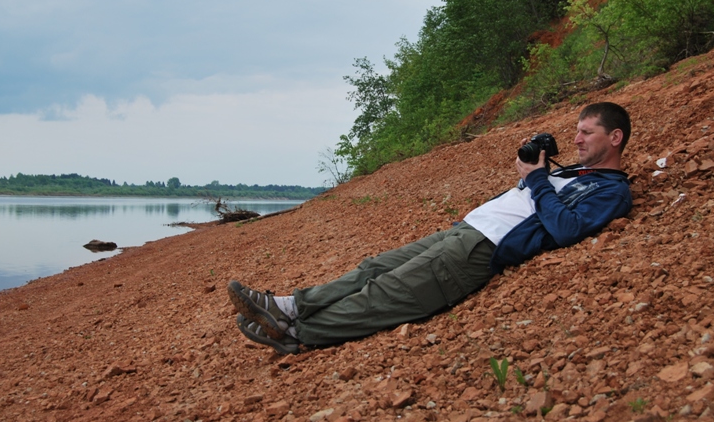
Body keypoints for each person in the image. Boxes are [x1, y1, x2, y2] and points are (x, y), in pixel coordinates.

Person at [228, 102, 632, 355]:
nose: (576, 140)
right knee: (374, 268)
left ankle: (298, 333)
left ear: (614, 138)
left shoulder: (612, 190)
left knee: (390, 291)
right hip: (466, 229)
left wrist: (539, 179)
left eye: (587, 132)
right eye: (577, 131)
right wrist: (535, 173)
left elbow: (567, 228)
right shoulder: (574, 172)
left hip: (483, 247)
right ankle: (289, 307)